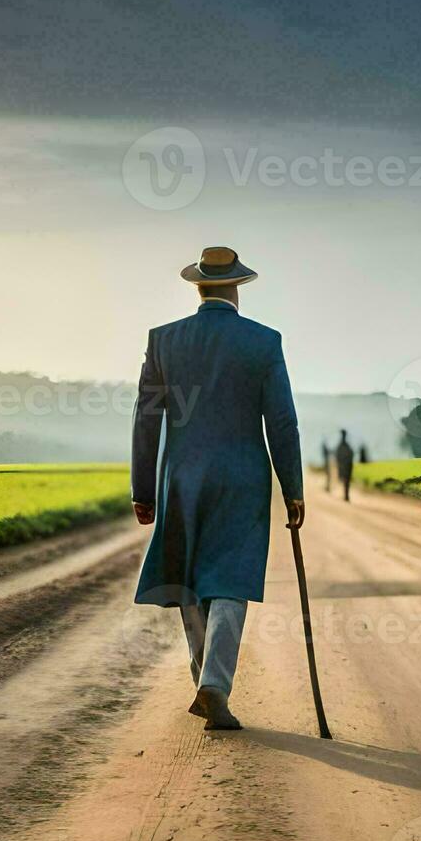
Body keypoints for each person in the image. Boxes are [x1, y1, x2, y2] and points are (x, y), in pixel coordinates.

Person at [131, 247, 304, 731]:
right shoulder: (263, 342)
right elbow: (282, 421)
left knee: (190, 577)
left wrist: (142, 488)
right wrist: (293, 486)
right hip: (244, 477)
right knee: (230, 578)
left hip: (181, 476)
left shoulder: (163, 341)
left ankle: (206, 678)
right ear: (237, 288)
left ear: (199, 286)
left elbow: (146, 420)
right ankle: (214, 683)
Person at [335, 429, 354, 502]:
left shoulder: (343, 446)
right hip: (346, 466)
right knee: (346, 481)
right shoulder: (345, 446)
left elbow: (338, 456)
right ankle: (346, 495)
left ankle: (346, 495)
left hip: (346, 466)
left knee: (346, 481)